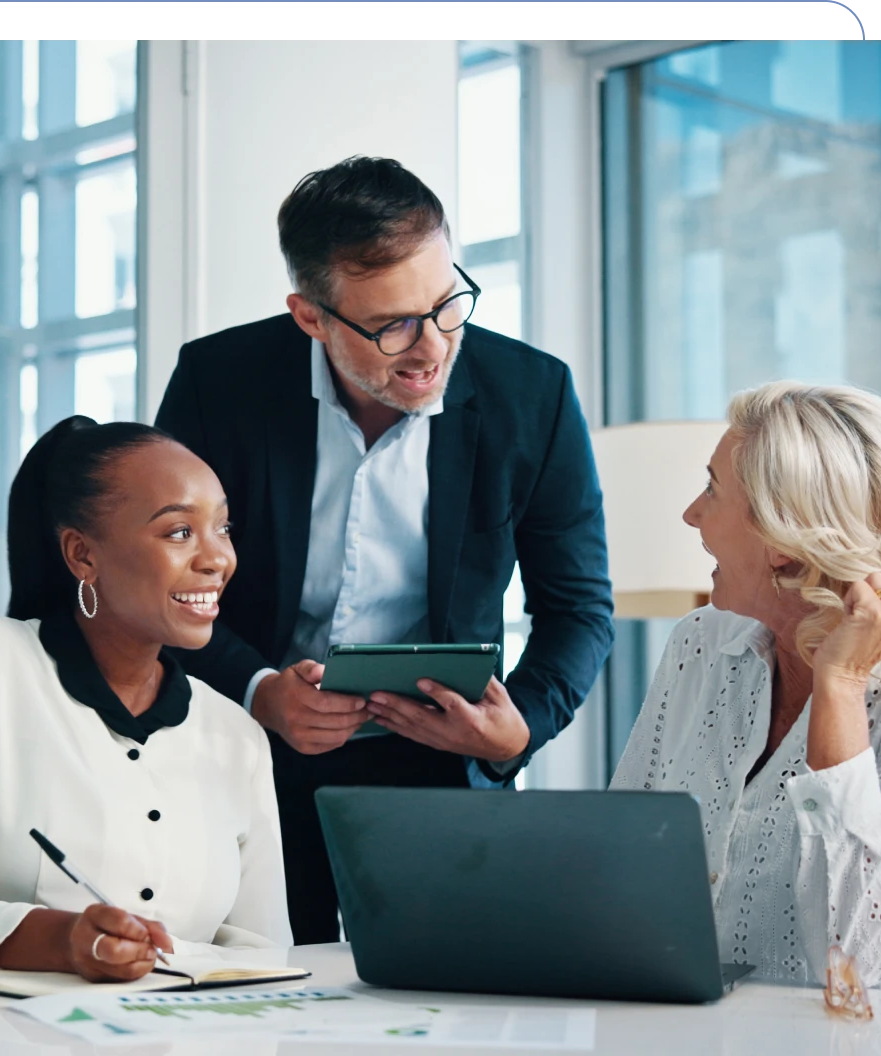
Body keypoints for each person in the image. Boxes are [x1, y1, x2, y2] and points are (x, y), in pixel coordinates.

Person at [155, 156, 615, 943]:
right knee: (264, 1005)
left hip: (443, 765)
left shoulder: (530, 395)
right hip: (251, 754)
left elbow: (579, 610)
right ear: (311, 316)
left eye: (446, 305)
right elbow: (163, 583)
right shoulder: (219, 381)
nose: (432, 347)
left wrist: (521, 729)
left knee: (447, 1007)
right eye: (393, 325)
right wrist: (260, 687)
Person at [609, 381, 881, 994]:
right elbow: (615, 861)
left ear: (784, 544)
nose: (692, 513)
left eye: (713, 490)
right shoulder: (700, 643)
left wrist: (841, 684)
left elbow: (862, 960)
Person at [0, 416, 293, 978]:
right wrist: (66, 940)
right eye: (179, 532)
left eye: (223, 528)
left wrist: (158, 958)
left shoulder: (234, 731)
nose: (218, 559)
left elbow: (268, 954)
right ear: (82, 555)